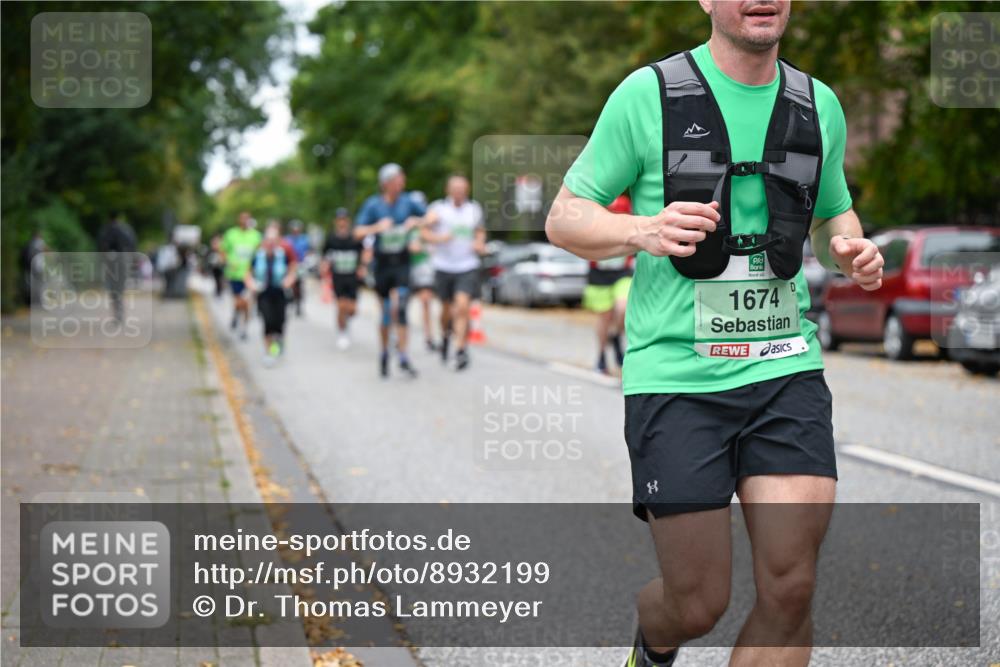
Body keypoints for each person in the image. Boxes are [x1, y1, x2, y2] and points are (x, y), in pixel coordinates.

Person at [545, 2, 885, 666]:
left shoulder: (818, 104)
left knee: (791, 586)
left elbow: (833, 211)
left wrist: (850, 248)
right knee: (697, 602)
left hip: (784, 367)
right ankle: (654, 642)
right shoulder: (648, 95)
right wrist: (637, 229)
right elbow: (565, 217)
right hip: (677, 376)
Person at [354, 163, 427, 378]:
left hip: (402, 262)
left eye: (403, 178)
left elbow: (433, 216)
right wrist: (377, 227)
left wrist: (418, 221)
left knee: (401, 306)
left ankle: (403, 354)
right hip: (382, 265)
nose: (402, 182)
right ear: (386, 183)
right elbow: (357, 232)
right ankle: (385, 352)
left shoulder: (408, 202)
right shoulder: (373, 205)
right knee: (386, 313)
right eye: (398, 179)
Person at [422, 175, 486, 371]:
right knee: (446, 311)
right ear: (448, 190)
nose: (459, 192)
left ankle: (460, 349)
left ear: (466, 190)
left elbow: (480, 231)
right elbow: (423, 232)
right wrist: (440, 238)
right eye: (455, 189)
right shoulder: (439, 209)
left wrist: (479, 243)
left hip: (467, 265)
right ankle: (445, 336)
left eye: (462, 189)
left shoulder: (474, 209)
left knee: (463, 306)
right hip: (443, 266)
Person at [583, 194, 634, 375]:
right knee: (603, 318)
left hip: (622, 271)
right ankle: (601, 355)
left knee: (622, 307)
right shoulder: (593, 201)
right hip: (599, 273)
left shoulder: (624, 202)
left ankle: (616, 335)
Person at [246, 221, 297, 365]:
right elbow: (248, 273)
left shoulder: (284, 252)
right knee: (268, 321)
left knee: (279, 323)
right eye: (268, 240)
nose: (270, 243)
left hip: (280, 293)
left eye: (273, 240)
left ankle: (278, 343)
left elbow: (293, 268)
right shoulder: (258, 254)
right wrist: (251, 284)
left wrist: (289, 279)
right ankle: (269, 352)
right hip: (263, 293)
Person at [321, 208, 367, 350]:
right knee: (341, 306)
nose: (342, 222)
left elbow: (363, 253)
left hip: (352, 276)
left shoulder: (354, 237)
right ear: (336, 222)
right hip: (338, 276)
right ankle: (342, 333)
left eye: (344, 219)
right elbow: (325, 256)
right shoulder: (331, 238)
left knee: (352, 309)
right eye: (339, 220)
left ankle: (347, 321)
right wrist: (324, 268)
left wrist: (362, 267)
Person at [222, 211, 262, 341]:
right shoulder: (231, 234)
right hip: (235, 275)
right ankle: (235, 313)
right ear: (239, 220)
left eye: (247, 219)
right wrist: (228, 262)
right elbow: (223, 250)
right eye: (242, 219)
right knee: (238, 302)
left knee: (246, 303)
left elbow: (260, 254)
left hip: (249, 276)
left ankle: (244, 328)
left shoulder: (256, 236)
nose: (245, 221)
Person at [407, 191, 438, 353]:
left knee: (426, 301)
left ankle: (428, 337)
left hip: (423, 267)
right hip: (406, 268)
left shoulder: (426, 223)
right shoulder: (405, 223)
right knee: (400, 303)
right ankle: (398, 336)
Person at [97, 212, 137, 321]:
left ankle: (117, 311)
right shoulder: (127, 230)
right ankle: (120, 311)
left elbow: (102, 247)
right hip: (124, 261)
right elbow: (133, 245)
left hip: (112, 262)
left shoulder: (106, 230)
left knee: (113, 288)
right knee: (120, 288)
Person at [285, 219, 312, 317]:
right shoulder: (287, 239)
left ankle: (299, 305)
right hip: (290, 264)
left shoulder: (304, 239)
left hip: (301, 264)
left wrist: (308, 261)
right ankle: (290, 300)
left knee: (300, 284)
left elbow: (308, 251)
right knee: (290, 284)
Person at [205, 234, 226, 298]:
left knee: (220, 278)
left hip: (220, 266)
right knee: (216, 279)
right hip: (214, 266)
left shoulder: (222, 246)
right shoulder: (212, 249)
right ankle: (218, 291)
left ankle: (219, 290)